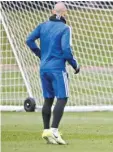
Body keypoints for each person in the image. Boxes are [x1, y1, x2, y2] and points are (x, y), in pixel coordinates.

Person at [26, 2, 80, 144]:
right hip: (57, 69)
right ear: (64, 13)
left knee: (48, 99)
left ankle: (46, 131)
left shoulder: (43, 26)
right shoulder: (65, 28)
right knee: (62, 98)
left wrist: (41, 54)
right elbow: (66, 50)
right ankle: (54, 131)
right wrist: (75, 65)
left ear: (52, 11)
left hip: (44, 68)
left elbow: (29, 40)